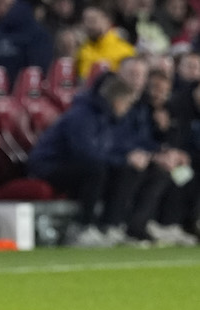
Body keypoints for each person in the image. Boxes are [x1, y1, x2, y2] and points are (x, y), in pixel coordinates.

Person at [28, 74, 143, 247]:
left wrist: (129, 158)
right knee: (96, 169)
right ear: (117, 100)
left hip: (73, 165)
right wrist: (121, 159)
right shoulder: (83, 115)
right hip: (49, 165)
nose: (128, 108)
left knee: (125, 169)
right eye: (127, 103)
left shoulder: (105, 118)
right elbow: (85, 153)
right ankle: (81, 228)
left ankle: (109, 226)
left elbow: (106, 150)